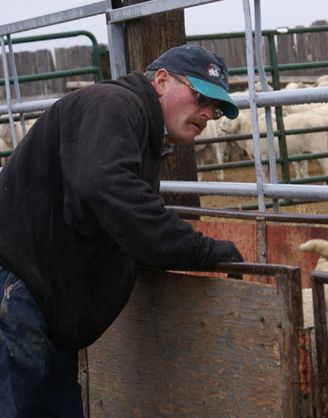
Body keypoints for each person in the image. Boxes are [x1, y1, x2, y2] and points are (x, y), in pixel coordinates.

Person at [0, 44, 244, 417]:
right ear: (161, 80)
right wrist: (204, 251)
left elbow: (111, 209)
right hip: (18, 290)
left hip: (47, 305)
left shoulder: (140, 131)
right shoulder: (114, 105)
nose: (208, 113)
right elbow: (110, 191)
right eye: (201, 97)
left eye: (216, 107)